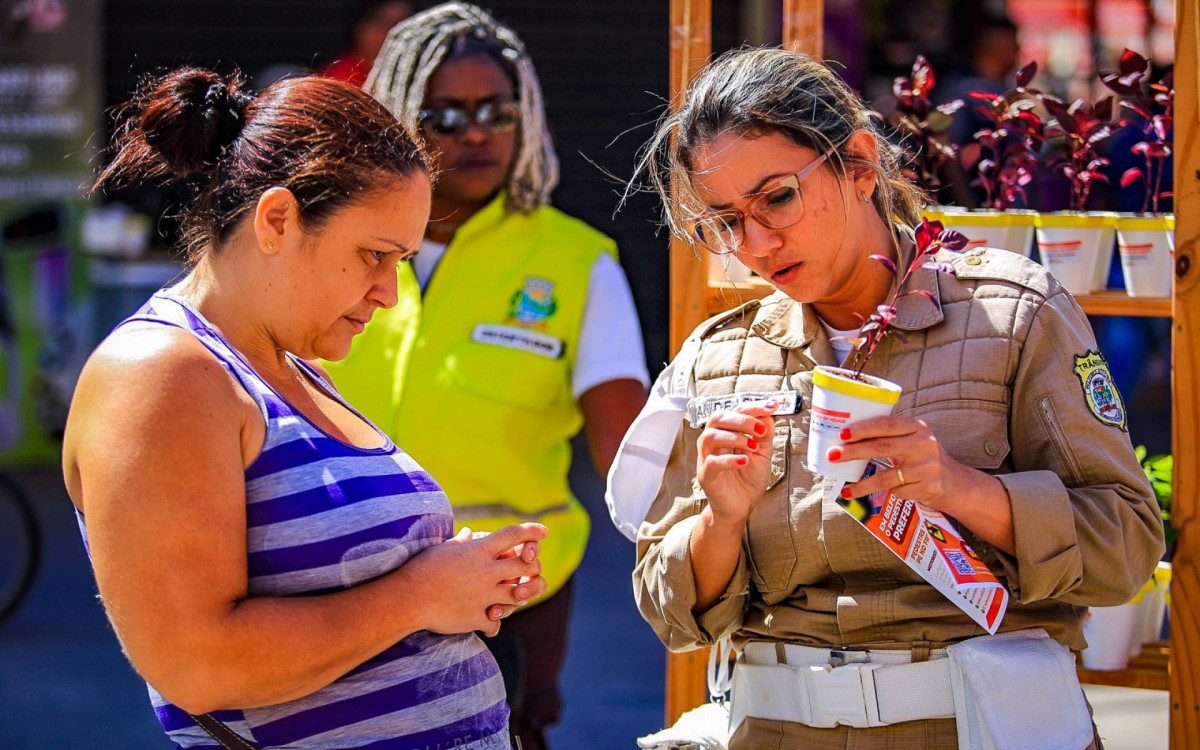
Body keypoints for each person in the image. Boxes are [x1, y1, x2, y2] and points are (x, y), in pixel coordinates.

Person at [624, 47, 1164, 748]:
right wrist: (719, 524)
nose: (755, 243)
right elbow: (667, 614)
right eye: (726, 222)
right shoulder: (719, 355)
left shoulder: (1012, 312)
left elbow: (1125, 548)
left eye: (777, 198)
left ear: (858, 164)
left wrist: (963, 489)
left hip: (976, 730)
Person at [65, 67, 549, 749]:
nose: (388, 291)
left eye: (402, 261)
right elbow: (198, 666)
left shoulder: (291, 367)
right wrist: (418, 595)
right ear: (278, 219)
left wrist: (455, 580)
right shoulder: (162, 373)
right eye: (374, 254)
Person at [323, 4, 650, 748]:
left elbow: (628, 447)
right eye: (445, 113)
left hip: (512, 593)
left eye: (495, 112)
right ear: (400, 118)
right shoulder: (339, 247)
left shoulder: (578, 261)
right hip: (340, 581)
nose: (475, 132)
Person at [318, 0, 414, 88]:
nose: (392, 32)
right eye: (382, 24)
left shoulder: (413, 76)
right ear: (359, 27)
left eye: (403, 26)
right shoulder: (338, 78)